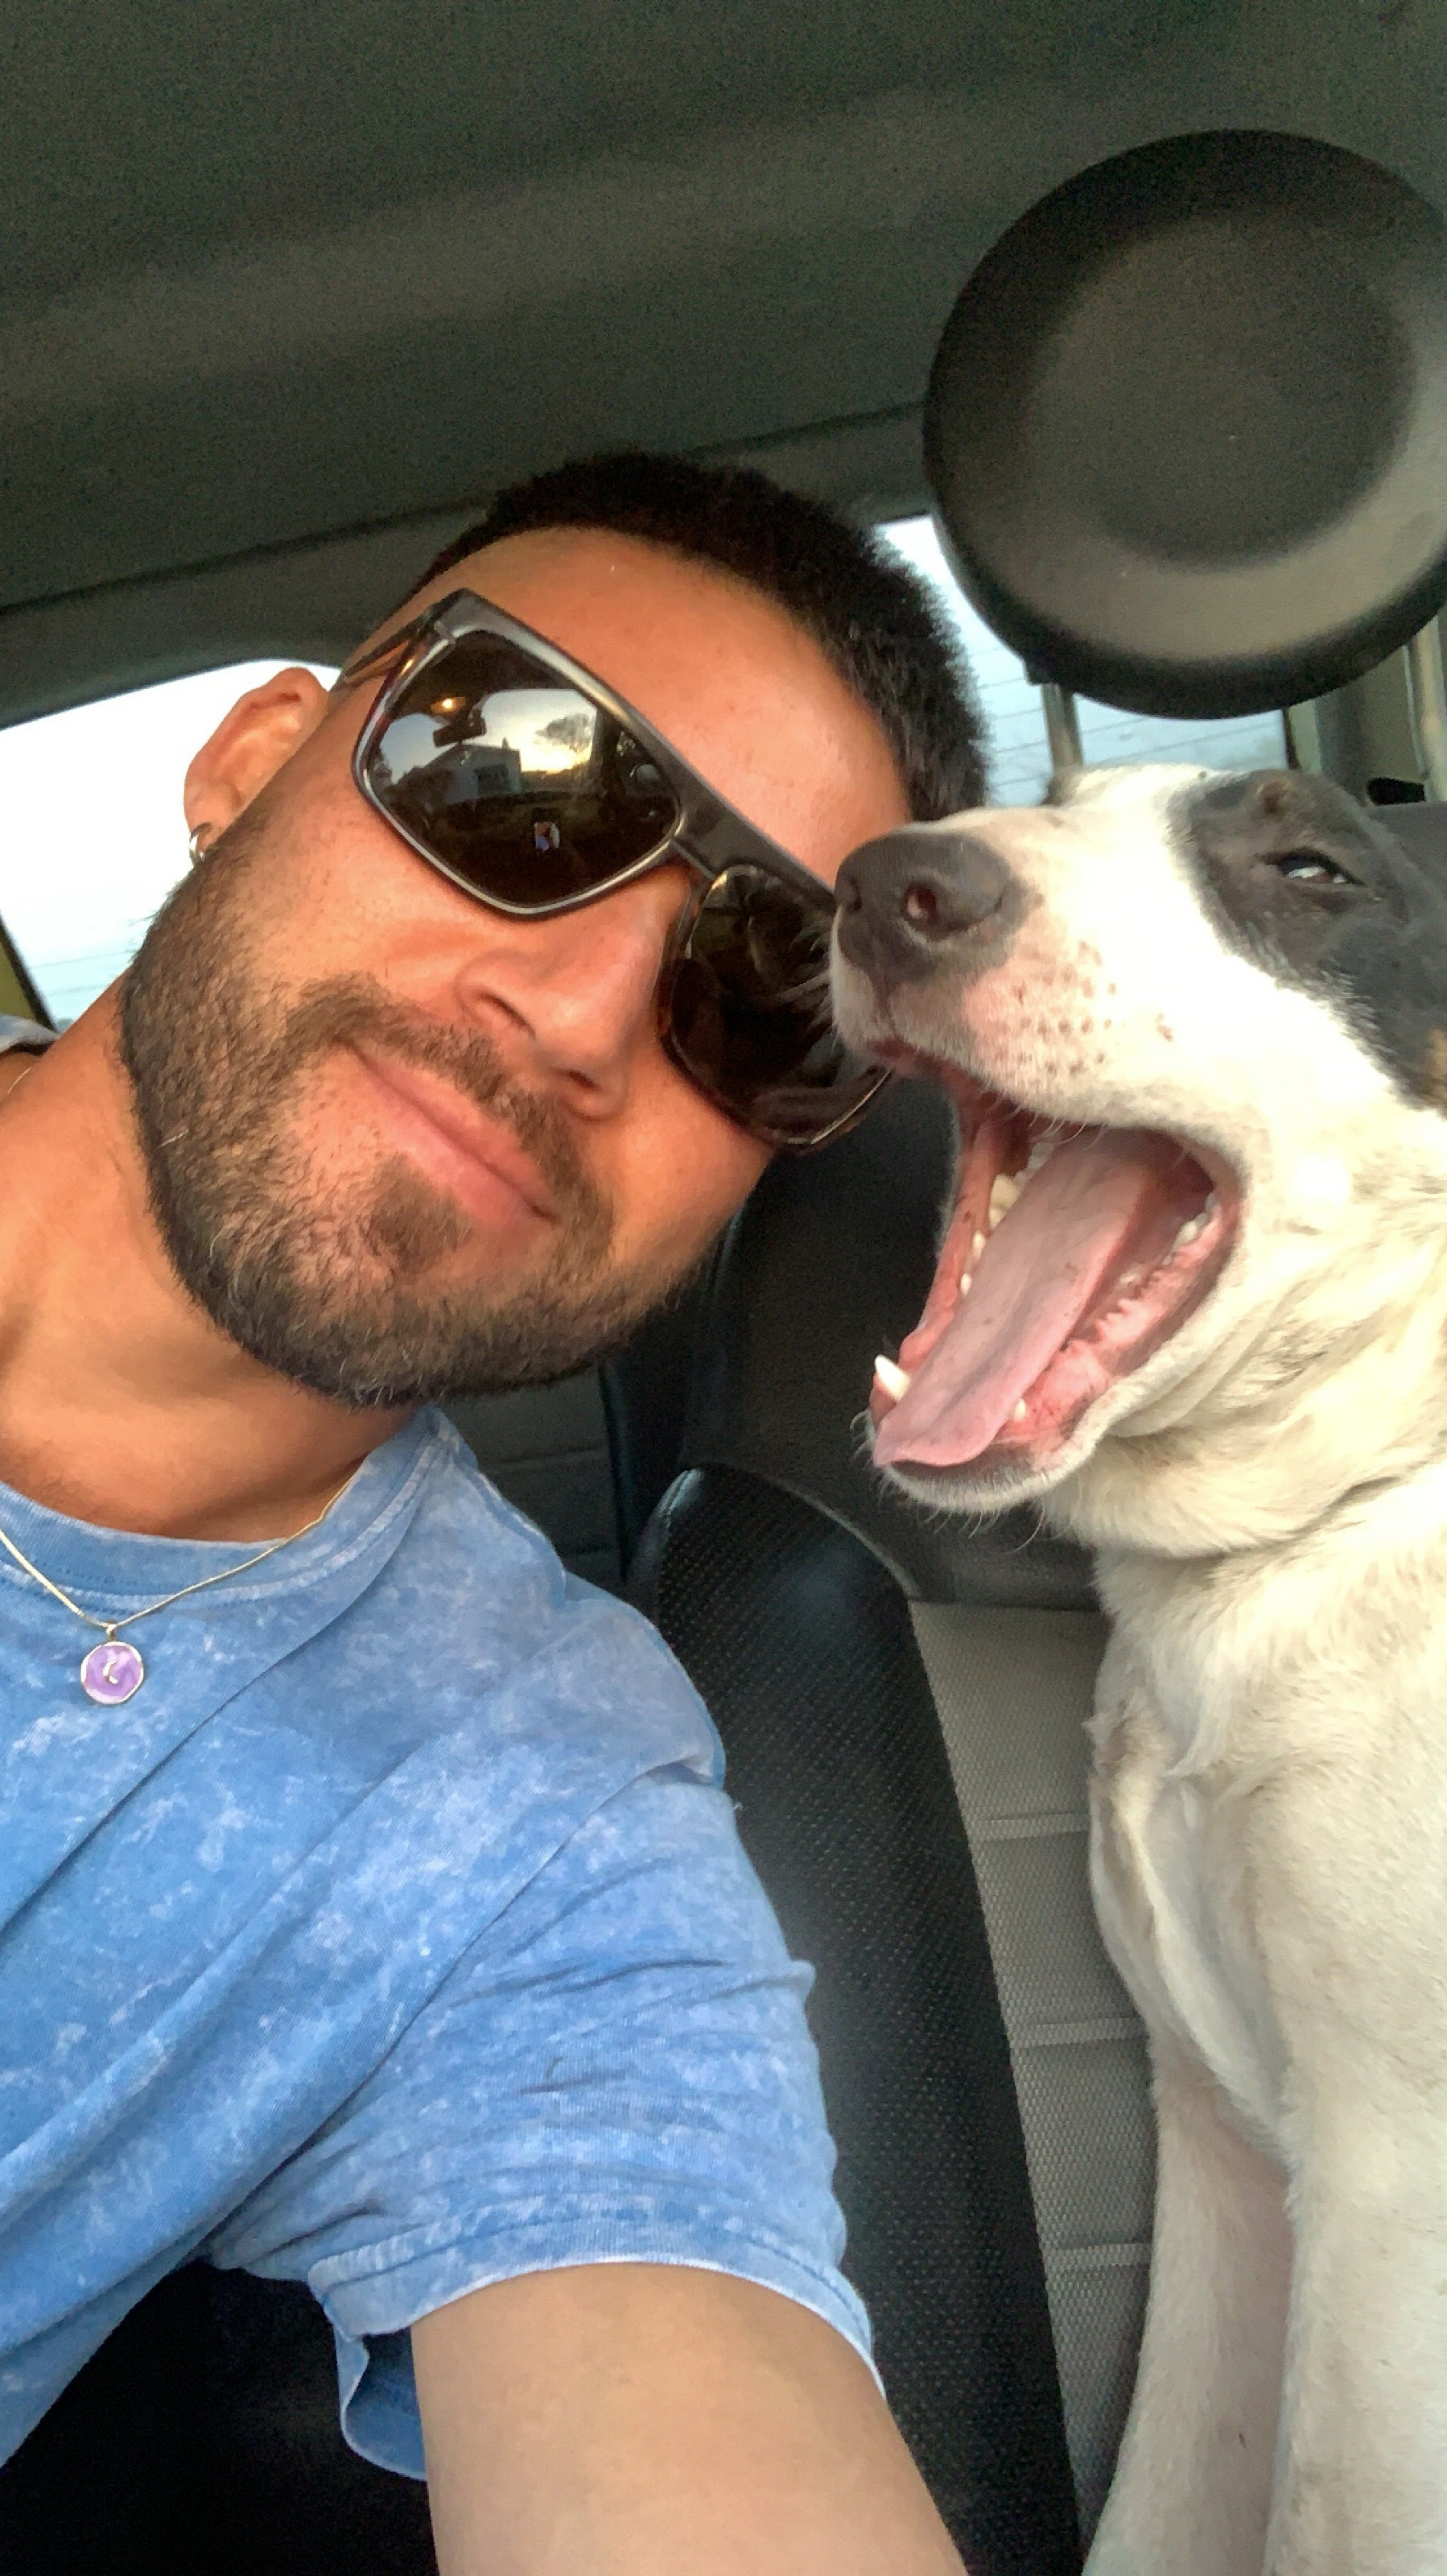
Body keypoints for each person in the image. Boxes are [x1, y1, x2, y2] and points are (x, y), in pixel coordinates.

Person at [0, 452, 985, 2574]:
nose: (579, 1016)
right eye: (514, 775)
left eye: (767, 999)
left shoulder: (534, 1805)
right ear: (252, 762)